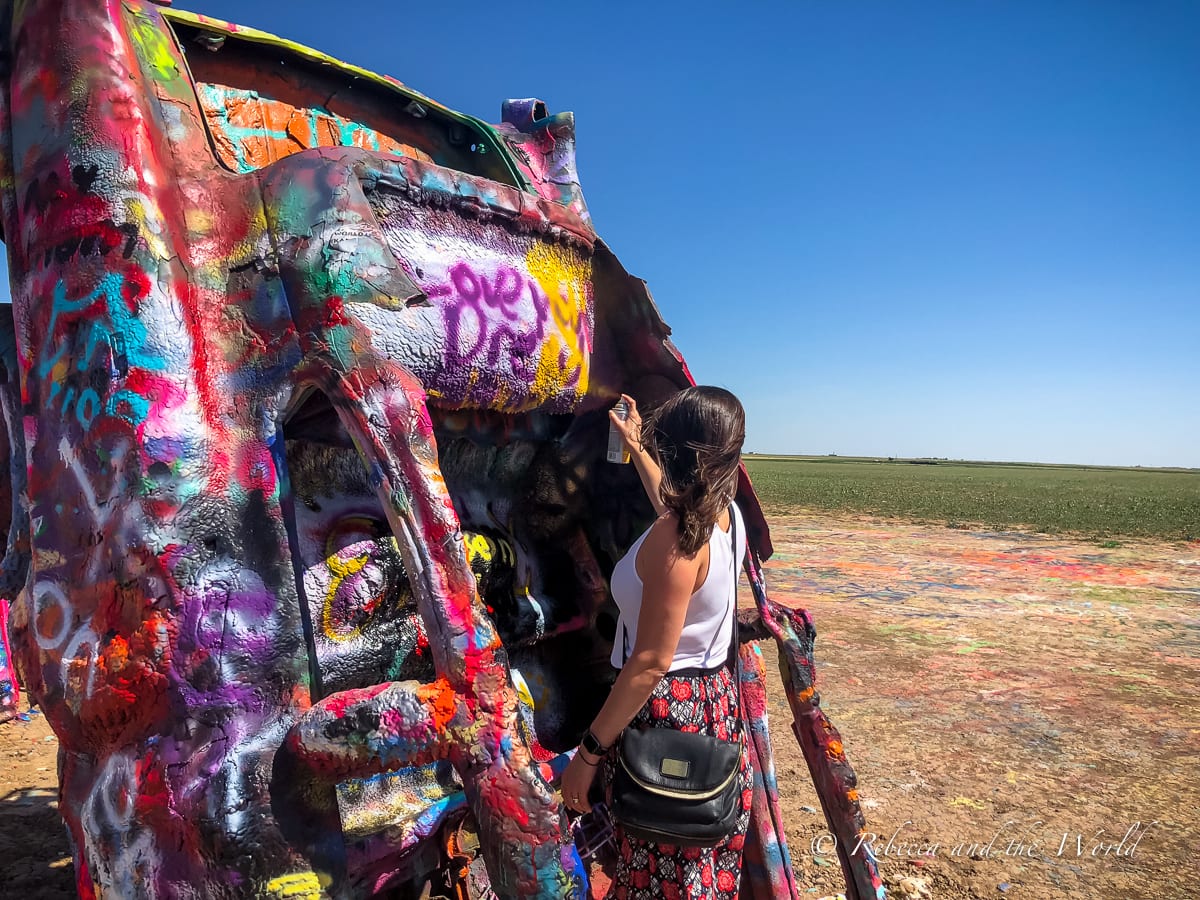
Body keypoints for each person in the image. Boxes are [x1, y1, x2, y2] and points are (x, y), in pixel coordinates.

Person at [561, 386, 751, 899]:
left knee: (658, 866)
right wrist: (635, 447)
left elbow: (648, 663)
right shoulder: (725, 516)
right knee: (696, 865)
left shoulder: (676, 538)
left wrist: (590, 752)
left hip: (664, 714)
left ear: (682, 449)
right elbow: (674, 505)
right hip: (713, 706)